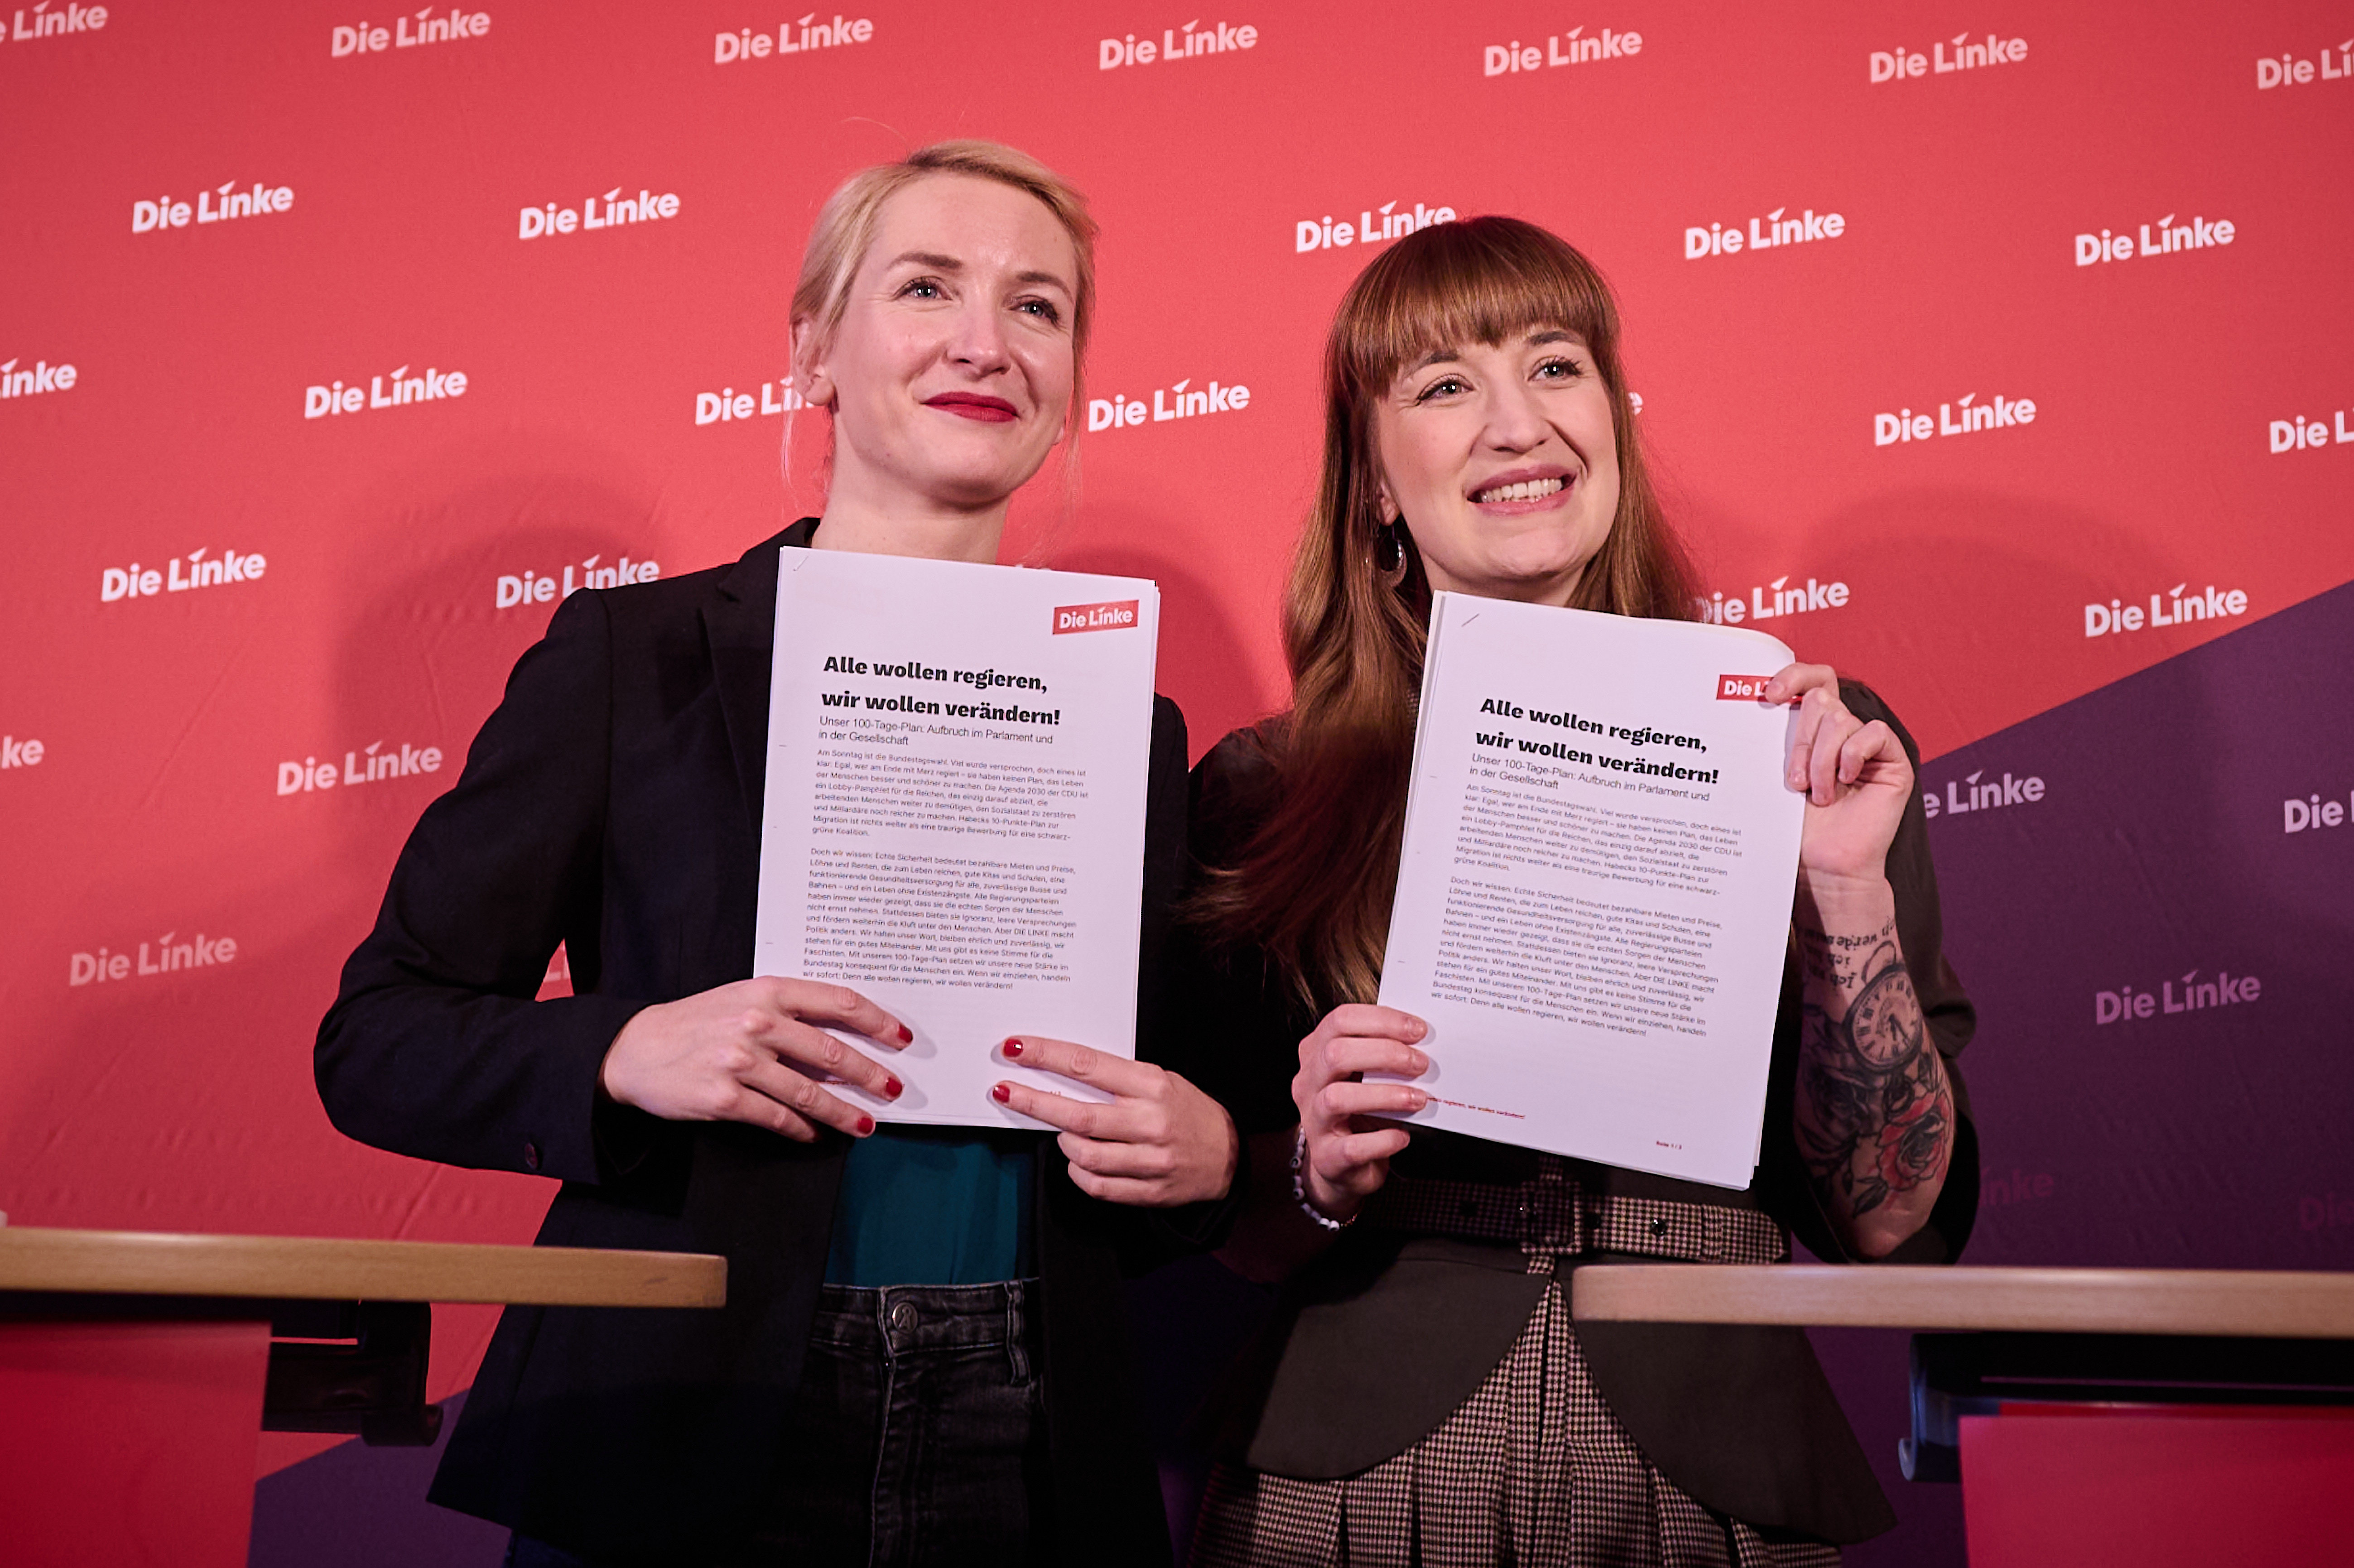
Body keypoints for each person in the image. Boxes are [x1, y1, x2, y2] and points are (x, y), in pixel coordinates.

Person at [316, 140, 1240, 1568]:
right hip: (683, 1392)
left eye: (1039, 305)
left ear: (1070, 385)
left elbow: (1178, 1109)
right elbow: (377, 1035)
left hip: (1035, 1432)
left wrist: (1211, 1149)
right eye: (927, 286)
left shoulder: (1139, 723)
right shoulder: (633, 661)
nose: (985, 340)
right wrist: (625, 1051)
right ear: (815, 350)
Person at [1164, 216, 1978, 1566]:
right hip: (1362, 1457)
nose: (1513, 423)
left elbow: (1894, 1220)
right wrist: (1312, 1172)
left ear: (1612, 418)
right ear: (1374, 480)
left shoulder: (1810, 749)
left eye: (1554, 366)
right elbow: (1237, 1238)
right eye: (1442, 386)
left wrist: (1843, 892)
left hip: (1717, 1450)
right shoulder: (1265, 788)